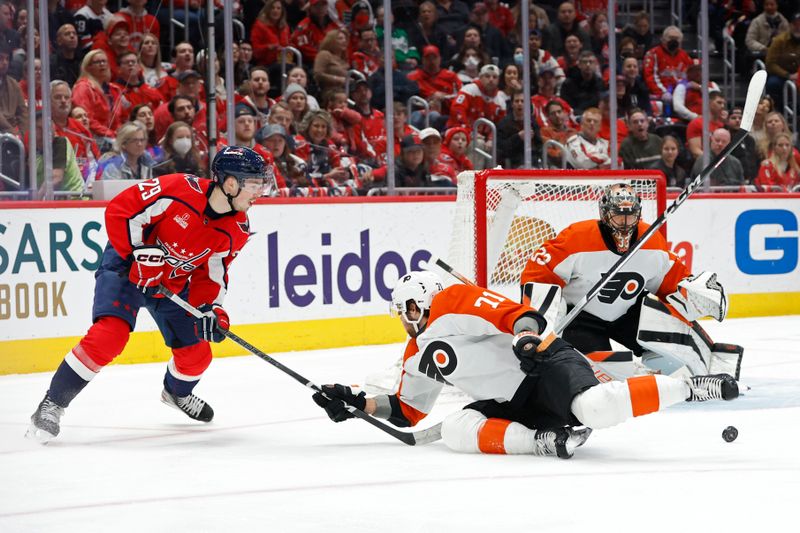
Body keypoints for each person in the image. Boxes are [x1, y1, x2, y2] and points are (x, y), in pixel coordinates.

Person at [311, 270, 740, 458]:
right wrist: (355, 403)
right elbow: (408, 411)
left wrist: (527, 334)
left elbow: (514, 313)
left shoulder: (450, 301)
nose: (403, 319)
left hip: (540, 363)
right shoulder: (414, 354)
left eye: (404, 309)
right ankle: (542, 440)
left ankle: (689, 384)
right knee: (457, 431)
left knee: (595, 409)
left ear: (415, 302)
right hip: (512, 403)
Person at [26, 146, 274, 443]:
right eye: (254, 184)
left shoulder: (237, 229)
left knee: (197, 355)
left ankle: (176, 393)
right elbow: (121, 210)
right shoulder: (178, 189)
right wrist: (138, 255)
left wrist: (211, 309)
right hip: (127, 268)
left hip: (173, 285)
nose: (259, 192)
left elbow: (212, 273)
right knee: (109, 335)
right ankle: (53, 403)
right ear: (231, 183)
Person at [519, 183, 741, 379]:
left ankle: (704, 368)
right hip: (581, 317)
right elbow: (539, 274)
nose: (625, 223)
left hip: (628, 312)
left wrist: (693, 291)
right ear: (605, 214)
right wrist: (539, 323)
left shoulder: (651, 240)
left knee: (676, 355)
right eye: (618, 215)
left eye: (630, 215)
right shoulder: (577, 237)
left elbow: (671, 280)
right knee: (595, 376)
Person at [642, 25, 693, 113]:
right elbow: (650, 77)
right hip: (661, 95)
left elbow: (691, 75)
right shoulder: (653, 54)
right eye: (671, 38)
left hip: (682, 94)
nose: (674, 41)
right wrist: (663, 92)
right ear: (663, 39)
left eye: (677, 38)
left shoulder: (685, 56)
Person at [764, 13, 800, 109]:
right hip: (781, 75)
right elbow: (770, 63)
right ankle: (777, 111)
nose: (798, 27)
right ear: (790, 25)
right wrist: (788, 75)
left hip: (799, 74)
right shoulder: (779, 40)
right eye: (796, 24)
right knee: (773, 83)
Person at [560, 51, 605, 116]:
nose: (588, 65)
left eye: (591, 62)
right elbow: (566, 106)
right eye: (585, 62)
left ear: (595, 65)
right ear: (579, 65)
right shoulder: (568, 84)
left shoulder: (600, 83)